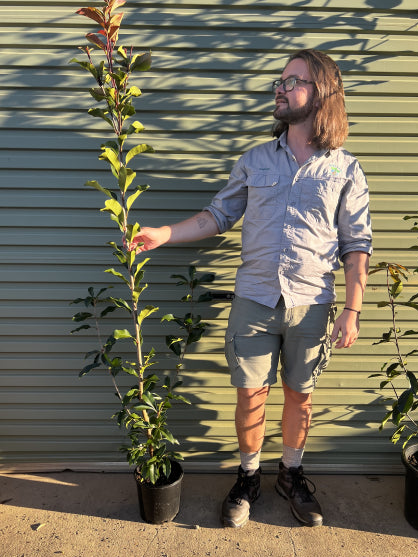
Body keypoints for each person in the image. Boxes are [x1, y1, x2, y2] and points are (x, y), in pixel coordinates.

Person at [131, 49, 372, 528]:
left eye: (292, 81)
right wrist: (164, 233)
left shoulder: (345, 169)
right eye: (279, 81)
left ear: (321, 92)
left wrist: (353, 308)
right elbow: (217, 216)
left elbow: (356, 243)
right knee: (250, 395)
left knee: (300, 395)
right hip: (255, 300)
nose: (279, 89)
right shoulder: (255, 159)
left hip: (312, 303)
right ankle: (248, 476)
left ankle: (292, 473)